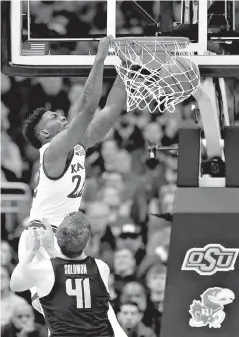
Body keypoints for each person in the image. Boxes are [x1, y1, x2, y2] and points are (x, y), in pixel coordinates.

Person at [18, 36, 127, 311]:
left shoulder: (77, 144)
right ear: (45, 133)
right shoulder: (53, 151)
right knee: (71, 314)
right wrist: (100, 57)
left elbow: (111, 108)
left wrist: (129, 69)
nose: (63, 117)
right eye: (54, 117)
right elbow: (88, 108)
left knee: (86, 314)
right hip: (41, 238)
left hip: (63, 239)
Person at [10, 212, 128, 337]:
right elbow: (71, 269)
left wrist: (31, 251)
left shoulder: (45, 270)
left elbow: (15, 284)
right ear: (86, 243)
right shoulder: (101, 267)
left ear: (59, 241)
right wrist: (51, 250)